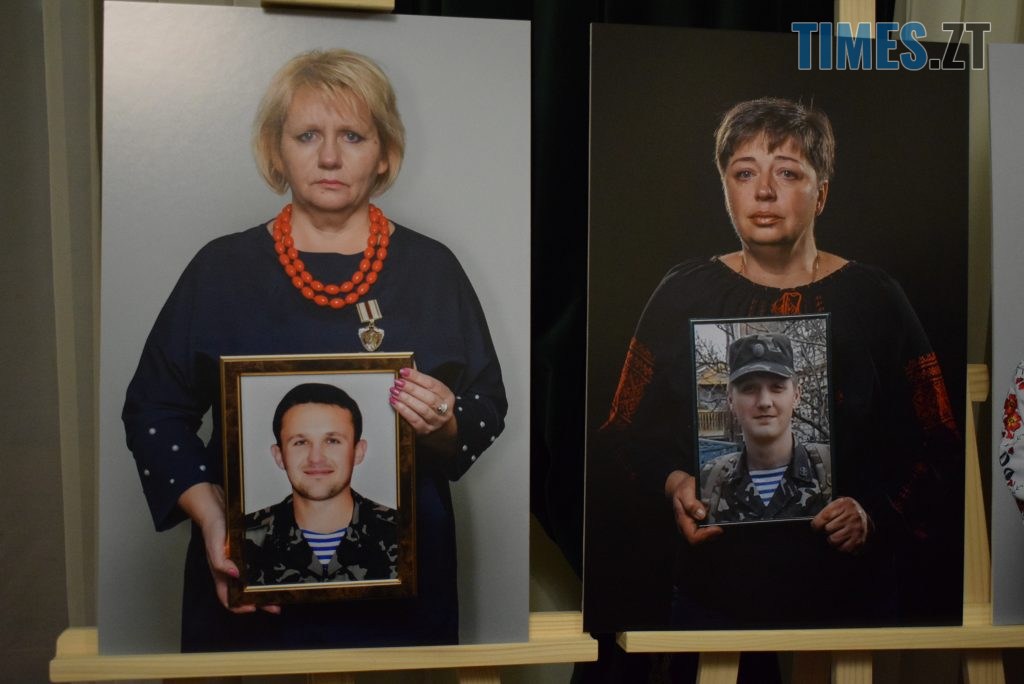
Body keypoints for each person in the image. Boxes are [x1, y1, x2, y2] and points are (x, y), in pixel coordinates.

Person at [122, 49, 506, 651]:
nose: (329, 157)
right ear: (276, 150)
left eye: (353, 135)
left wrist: (446, 421)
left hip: (404, 595)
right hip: (248, 583)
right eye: (307, 135)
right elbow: (153, 410)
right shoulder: (219, 270)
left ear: (385, 153)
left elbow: (487, 405)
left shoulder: (434, 270)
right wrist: (211, 514)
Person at [594, 97, 961, 629]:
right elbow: (622, 435)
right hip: (716, 589)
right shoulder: (683, 293)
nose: (763, 191)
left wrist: (872, 514)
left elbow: (939, 438)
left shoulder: (874, 297)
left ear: (821, 193)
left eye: (787, 172)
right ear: (726, 188)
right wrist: (676, 485)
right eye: (744, 173)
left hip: (847, 593)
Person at [244, 383, 397, 586]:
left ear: (358, 451)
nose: (316, 458)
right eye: (300, 442)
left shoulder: (402, 533)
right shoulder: (242, 537)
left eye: (332, 441)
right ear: (279, 456)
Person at [699, 333, 831, 524]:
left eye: (777, 387)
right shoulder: (708, 482)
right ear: (730, 400)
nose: (764, 402)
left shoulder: (831, 468)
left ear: (796, 395)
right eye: (749, 389)